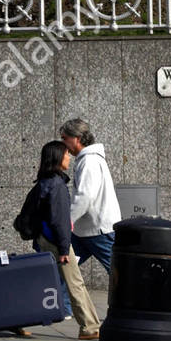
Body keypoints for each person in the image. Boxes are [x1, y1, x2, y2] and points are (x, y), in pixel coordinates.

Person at [31, 139, 102, 340]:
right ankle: (89, 327)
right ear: (57, 158)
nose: (69, 157)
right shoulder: (57, 185)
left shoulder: (44, 182)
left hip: (45, 238)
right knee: (75, 283)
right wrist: (64, 248)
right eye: (65, 154)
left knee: (52, 281)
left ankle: (92, 325)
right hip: (56, 241)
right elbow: (59, 220)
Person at [59, 117, 122, 275]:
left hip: (98, 231)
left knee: (121, 274)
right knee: (64, 270)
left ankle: (136, 300)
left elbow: (84, 197)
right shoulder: (87, 160)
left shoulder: (89, 161)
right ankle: (61, 300)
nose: (63, 144)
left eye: (65, 138)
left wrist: (67, 221)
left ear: (77, 138)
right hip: (85, 231)